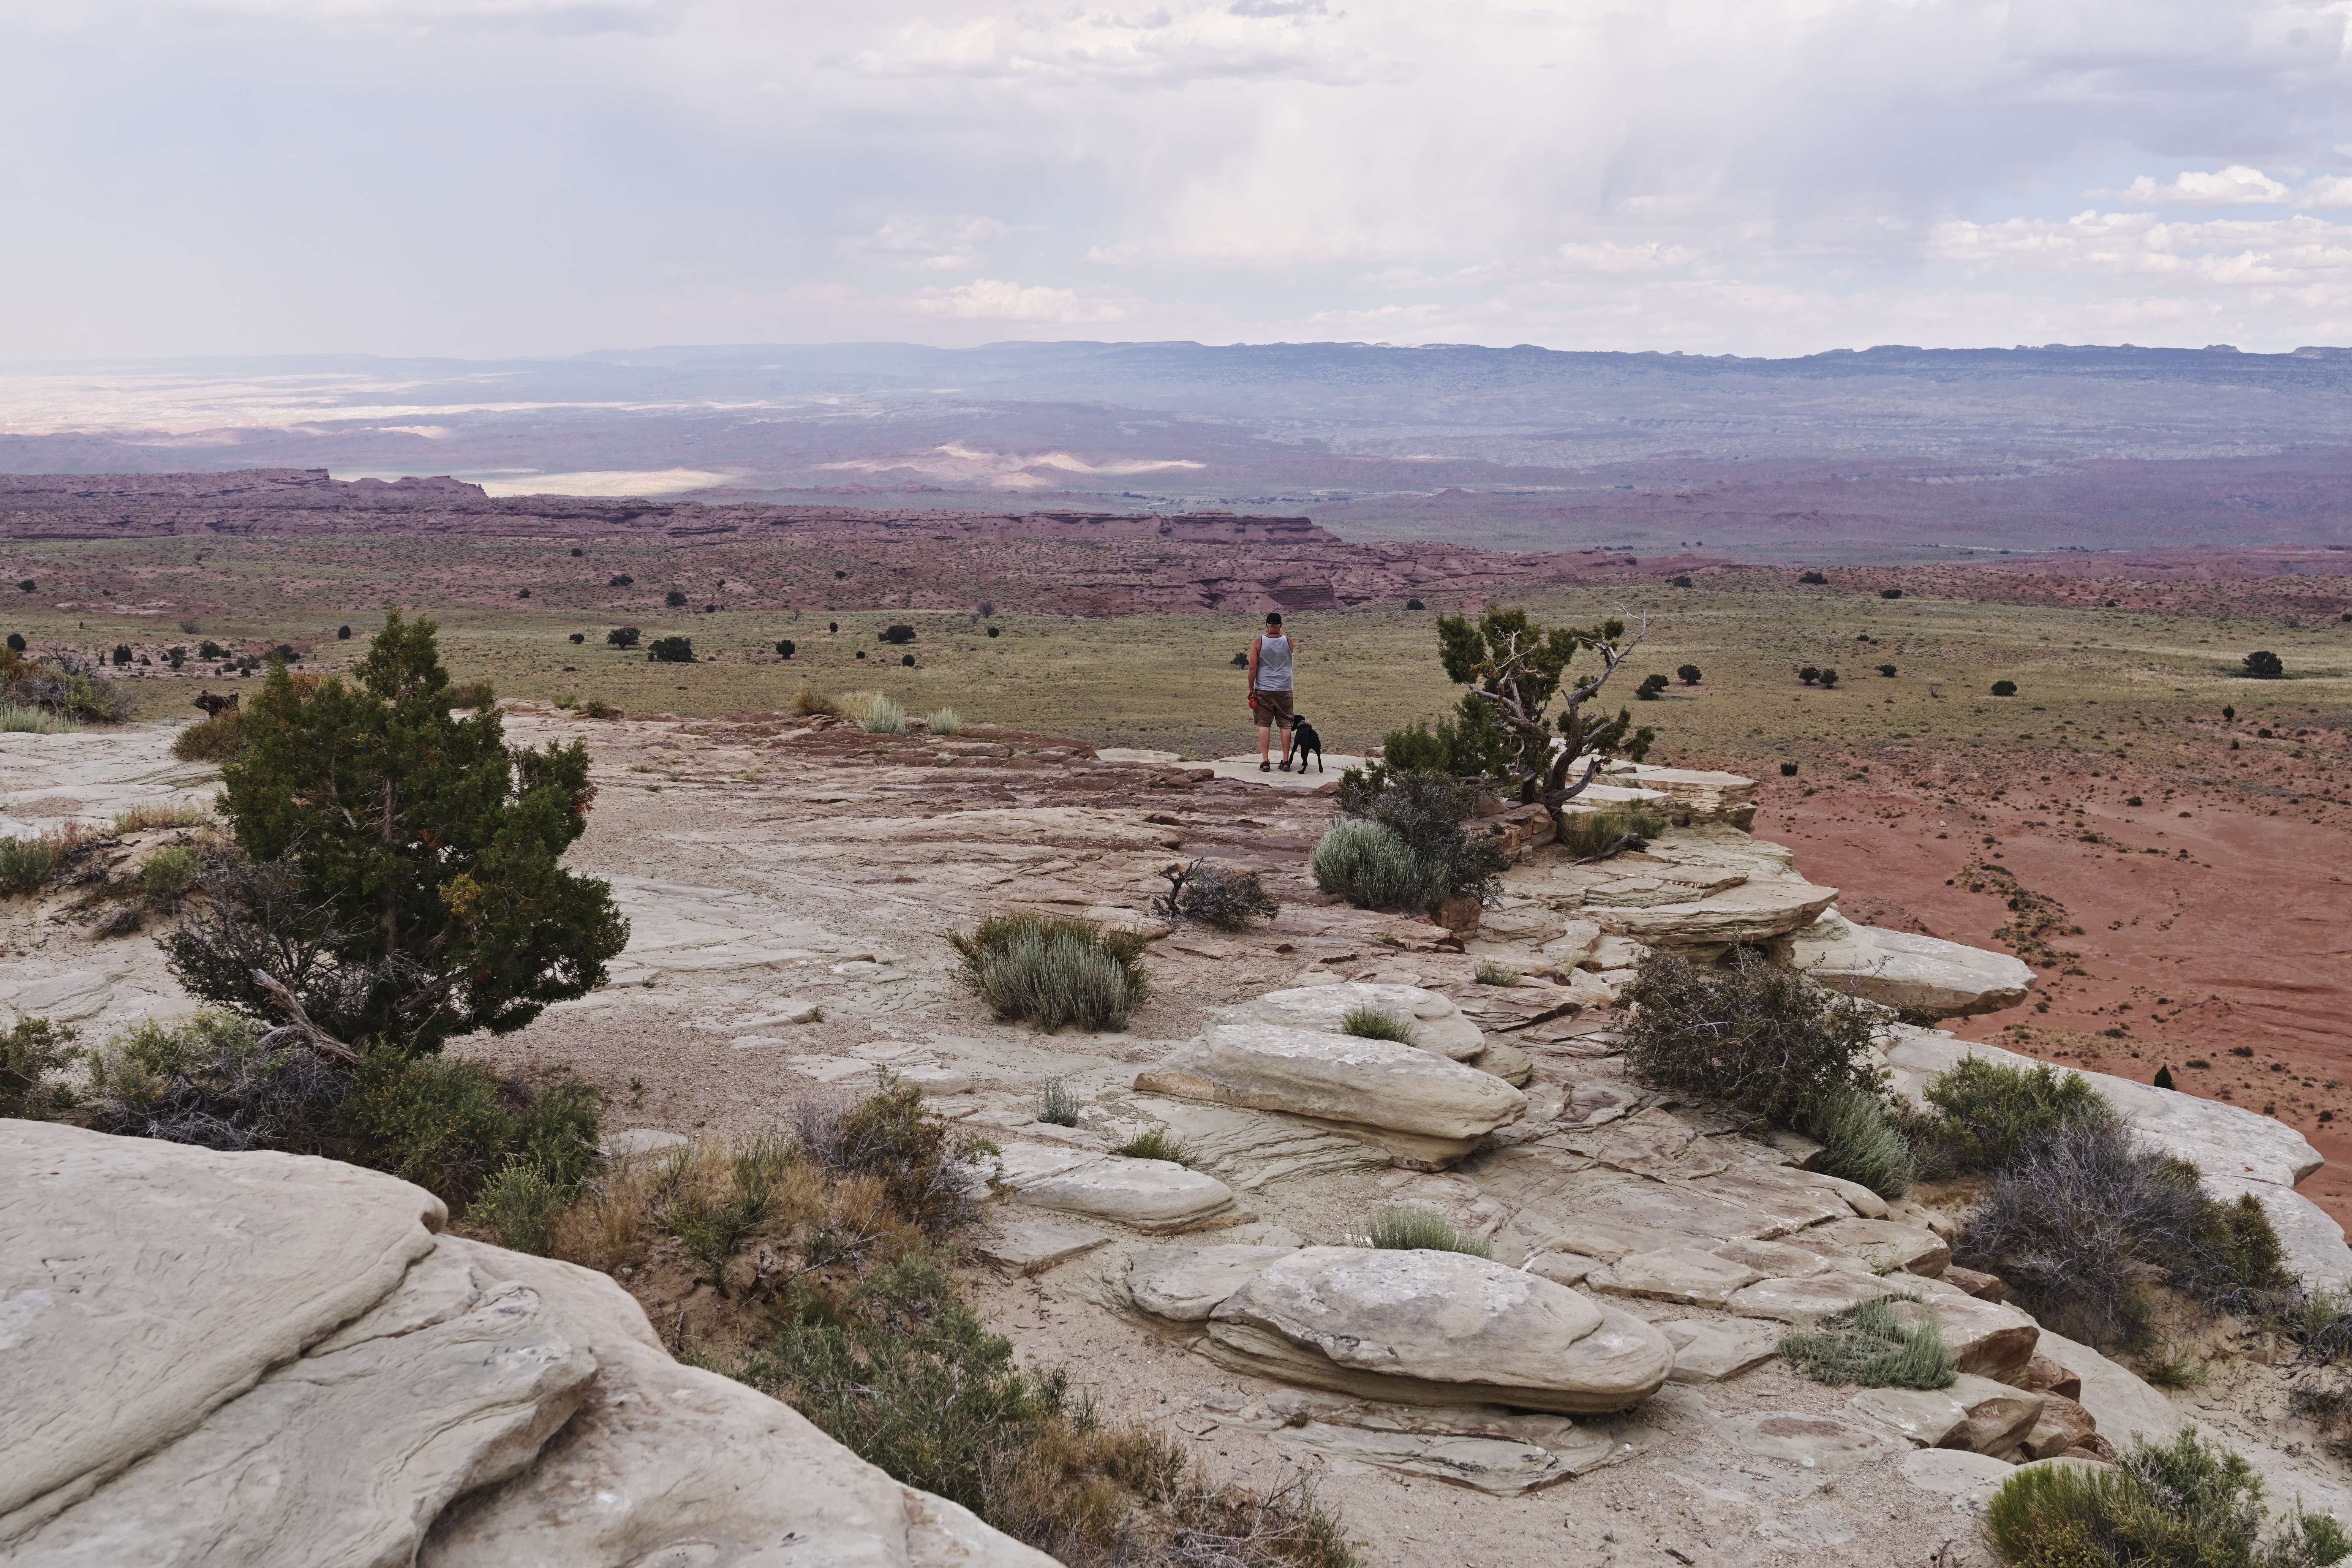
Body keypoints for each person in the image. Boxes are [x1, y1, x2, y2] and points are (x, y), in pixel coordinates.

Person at [1246, 611, 1300, 771]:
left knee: (1264, 724)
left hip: (1264, 688)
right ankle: (1286, 761)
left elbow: (1252, 667)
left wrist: (1251, 688)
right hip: (1285, 688)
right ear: (1281, 625)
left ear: (1266, 625)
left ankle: (1266, 762)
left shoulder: (1259, 642)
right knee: (1285, 724)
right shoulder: (1288, 641)